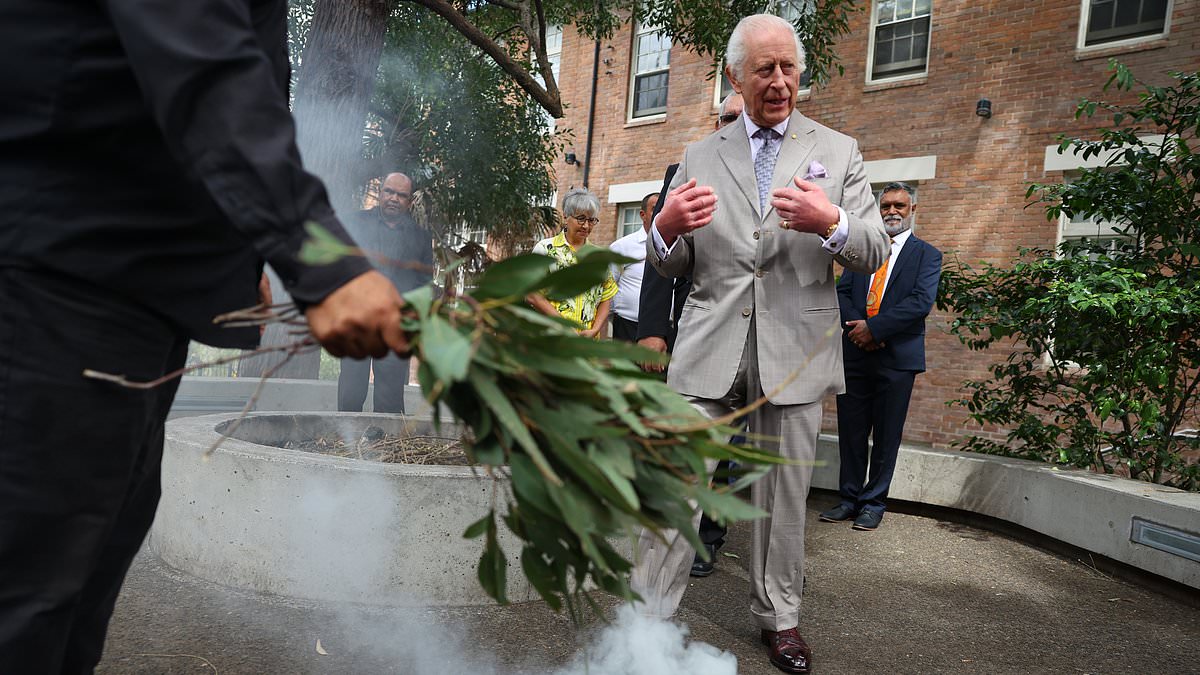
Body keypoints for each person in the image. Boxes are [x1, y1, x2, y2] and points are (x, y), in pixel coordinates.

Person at [0, 1, 411, 671]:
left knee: (77, 598)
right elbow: (203, 60)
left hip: (131, 294)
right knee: (25, 601)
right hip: (56, 274)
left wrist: (240, 249)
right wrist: (323, 262)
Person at [633, 14, 889, 675]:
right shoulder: (699, 154)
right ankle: (645, 622)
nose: (780, 82)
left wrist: (828, 220)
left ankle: (780, 619)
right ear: (735, 77)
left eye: (789, 68)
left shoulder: (839, 148)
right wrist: (663, 227)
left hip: (794, 352)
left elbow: (874, 246)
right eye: (765, 70)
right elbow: (672, 262)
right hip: (707, 350)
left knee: (781, 499)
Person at [820, 182, 942, 531]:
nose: (892, 211)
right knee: (851, 431)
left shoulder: (927, 255)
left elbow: (920, 302)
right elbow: (841, 293)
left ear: (912, 209)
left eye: (899, 206)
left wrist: (874, 330)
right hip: (855, 354)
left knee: (887, 434)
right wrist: (858, 330)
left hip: (896, 357)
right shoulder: (862, 252)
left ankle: (874, 503)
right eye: (886, 205)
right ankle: (848, 498)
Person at [338, 172, 434, 414]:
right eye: (389, 192)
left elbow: (423, 281)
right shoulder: (354, 222)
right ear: (380, 193)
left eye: (401, 195)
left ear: (409, 201)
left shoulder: (421, 238)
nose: (394, 198)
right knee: (350, 391)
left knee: (389, 398)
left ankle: (384, 448)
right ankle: (345, 445)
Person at [528, 188, 618, 338]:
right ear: (565, 216)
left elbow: (606, 297)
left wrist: (595, 330)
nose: (586, 226)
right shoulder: (545, 249)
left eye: (591, 220)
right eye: (581, 218)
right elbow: (532, 295)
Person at [607, 192, 658, 342]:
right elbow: (608, 286)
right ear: (642, 214)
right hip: (627, 327)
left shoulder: (676, 246)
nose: (660, 212)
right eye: (655, 208)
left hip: (662, 330)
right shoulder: (622, 247)